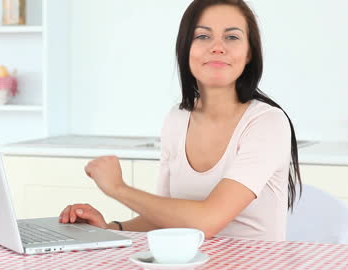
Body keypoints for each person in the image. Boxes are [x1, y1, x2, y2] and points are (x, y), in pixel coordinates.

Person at [59, 0, 302, 241]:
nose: (217, 47)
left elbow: (207, 222)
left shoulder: (267, 123)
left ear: (249, 53)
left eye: (232, 37)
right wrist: (110, 228)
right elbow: (163, 219)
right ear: (186, 48)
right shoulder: (177, 119)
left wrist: (118, 189)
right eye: (203, 37)